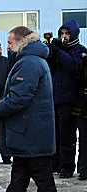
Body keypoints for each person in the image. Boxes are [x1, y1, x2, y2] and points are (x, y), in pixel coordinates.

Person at [0, 26, 63, 192]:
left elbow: (19, 97)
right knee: (20, 171)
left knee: (41, 173)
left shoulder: (28, 63)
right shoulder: (32, 60)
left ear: (21, 41)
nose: (8, 47)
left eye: (10, 42)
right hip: (30, 129)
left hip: (31, 130)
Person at [46, 20, 87, 178]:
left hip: (71, 100)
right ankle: (55, 163)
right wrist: (51, 52)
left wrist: (58, 52)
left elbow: (73, 67)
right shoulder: (59, 51)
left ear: (74, 34)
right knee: (55, 135)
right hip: (56, 98)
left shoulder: (81, 51)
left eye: (67, 33)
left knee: (67, 135)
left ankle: (67, 167)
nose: (64, 37)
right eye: (62, 33)